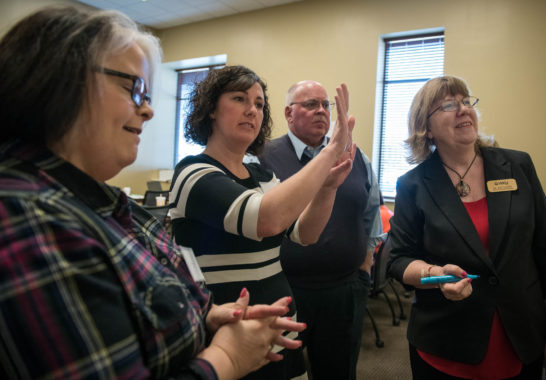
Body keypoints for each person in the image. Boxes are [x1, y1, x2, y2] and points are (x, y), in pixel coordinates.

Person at [0, 6, 306, 379]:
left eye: (146, 93)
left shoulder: (100, 203)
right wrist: (226, 355)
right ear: (61, 82)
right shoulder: (30, 219)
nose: (146, 111)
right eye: (134, 89)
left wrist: (205, 315)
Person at [169, 66, 355, 379]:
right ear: (211, 109)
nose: (252, 110)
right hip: (228, 342)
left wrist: (327, 188)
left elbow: (304, 233)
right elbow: (266, 220)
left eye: (258, 104)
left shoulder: (262, 177)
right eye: (240, 98)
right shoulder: (193, 173)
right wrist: (332, 148)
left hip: (280, 334)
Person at [387, 75, 546, 380]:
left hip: (522, 336)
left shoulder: (517, 166)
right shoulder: (413, 185)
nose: (462, 109)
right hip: (446, 341)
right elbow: (398, 260)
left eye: (466, 101)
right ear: (427, 128)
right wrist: (435, 276)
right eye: (448, 105)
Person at [259, 80, 383, 380]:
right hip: (283, 291)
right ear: (289, 114)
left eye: (325, 105)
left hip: (344, 290)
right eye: (311, 104)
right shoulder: (263, 157)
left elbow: (371, 211)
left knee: (338, 371)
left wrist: (365, 267)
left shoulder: (354, 155)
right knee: (282, 372)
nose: (321, 111)